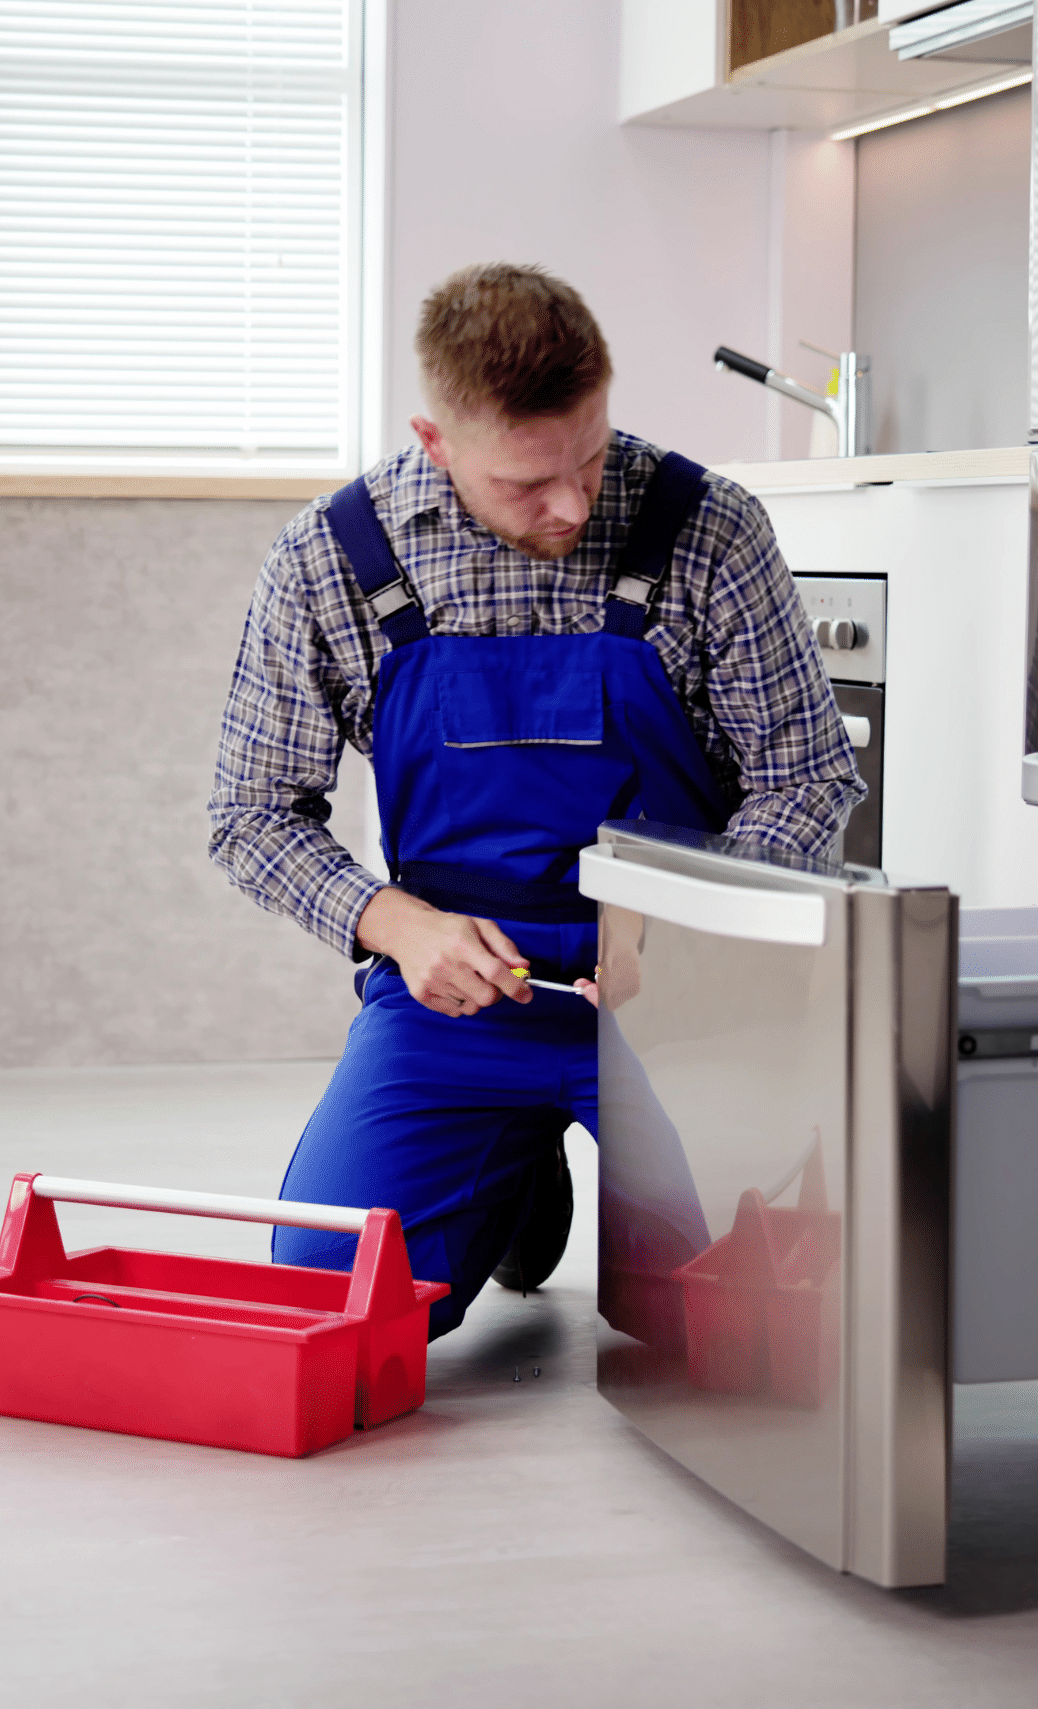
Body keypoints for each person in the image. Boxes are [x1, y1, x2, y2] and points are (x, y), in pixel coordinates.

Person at [206, 262, 864, 1338]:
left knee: (756, 1318)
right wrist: (396, 926)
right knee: (330, 1304)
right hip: (454, 1000)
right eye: (526, 483)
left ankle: (544, 1153)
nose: (572, 504)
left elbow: (804, 774)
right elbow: (250, 812)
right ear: (436, 442)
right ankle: (513, 1166)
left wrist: (688, 932)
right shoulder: (332, 558)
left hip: (676, 1002)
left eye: (591, 458)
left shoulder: (710, 527)